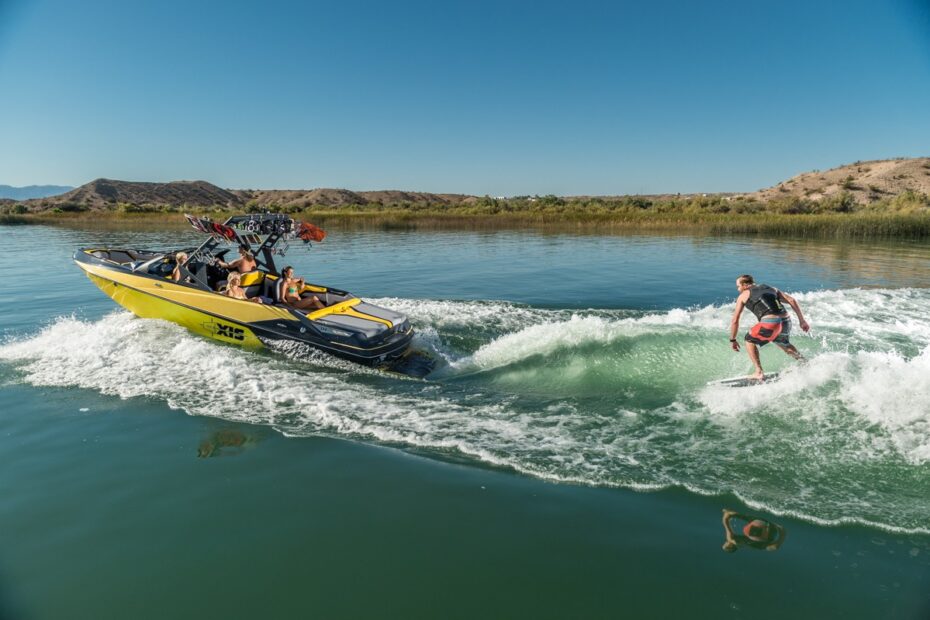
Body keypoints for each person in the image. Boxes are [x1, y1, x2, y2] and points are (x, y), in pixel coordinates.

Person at [729, 274, 810, 380]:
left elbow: (735, 320)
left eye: (738, 286)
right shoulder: (771, 288)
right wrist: (802, 321)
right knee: (783, 343)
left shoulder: (744, 295)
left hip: (771, 322)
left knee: (749, 340)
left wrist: (733, 339)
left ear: (745, 285)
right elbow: (791, 300)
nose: (738, 289)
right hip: (786, 320)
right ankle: (806, 364)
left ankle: (758, 372)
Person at [722, 509, 786, 552]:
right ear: (730, 546)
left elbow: (775, 547)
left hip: (770, 532)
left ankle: (733, 514)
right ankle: (733, 514)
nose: (726, 541)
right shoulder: (732, 540)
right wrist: (725, 519)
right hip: (762, 526)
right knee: (744, 519)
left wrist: (782, 535)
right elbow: (729, 536)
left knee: (746, 522)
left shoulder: (748, 543)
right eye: (726, 543)